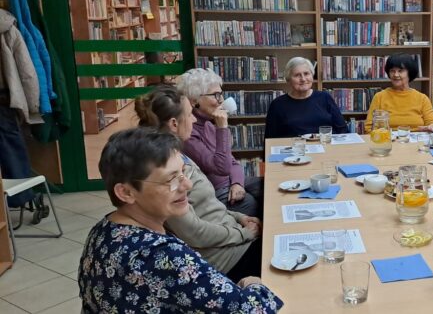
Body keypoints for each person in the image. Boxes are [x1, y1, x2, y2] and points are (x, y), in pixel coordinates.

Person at [79, 128, 283, 312]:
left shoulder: (100, 232)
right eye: (171, 179)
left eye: (183, 173)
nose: (187, 185)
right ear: (126, 192)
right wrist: (252, 283)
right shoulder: (163, 255)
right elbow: (257, 310)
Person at [135, 85, 262, 282]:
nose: (194, 119)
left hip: (233, 239)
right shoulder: (166, 171)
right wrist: (243, 233)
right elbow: (193, 232)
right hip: (227, 258)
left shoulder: (178, 155)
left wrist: (239, 217)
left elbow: (208, 206)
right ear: (174, 124)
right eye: (189, 114)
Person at [176, 68, 261, 217]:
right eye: (216, 95)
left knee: (270, 186)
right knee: (254, 206)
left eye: (221, 94)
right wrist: (222, 128)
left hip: (231, 181)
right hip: (216, 191)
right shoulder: (188, 132)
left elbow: (233, 162)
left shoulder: (208, 124)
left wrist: (237, 183)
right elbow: (222, 168)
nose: (221, 100)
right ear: (194, 100)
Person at [264, 57, 348, 138]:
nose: (303, 79)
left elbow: (342, 130)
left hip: (327, 146)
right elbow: (270, 139)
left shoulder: (325, 97)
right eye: (297, 75)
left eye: (306, 74)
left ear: (312, 75)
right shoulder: (277, 105)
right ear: (288, 80)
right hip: (295, 147)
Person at [364, 53, 433, 132]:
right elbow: (369, 128)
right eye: (392, 71)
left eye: (400, 71)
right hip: (387, 138)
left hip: (416, 138)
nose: (396, 75)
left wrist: (432, 127)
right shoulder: (379, 97)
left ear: (409, 73)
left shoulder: (422, 98)